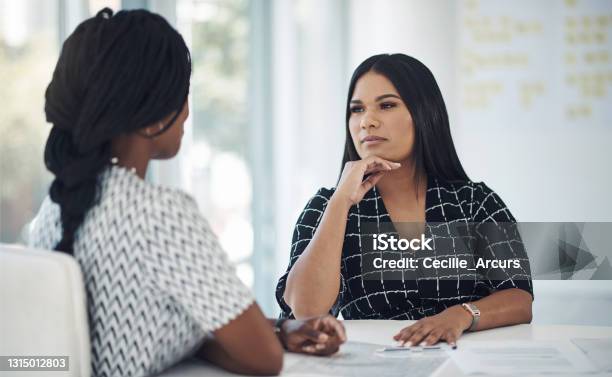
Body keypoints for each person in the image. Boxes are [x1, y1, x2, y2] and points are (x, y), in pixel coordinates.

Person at [28, 8, 345, 377]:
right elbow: (262, 358)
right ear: (155, 116)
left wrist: (276, 328)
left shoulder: (53, 209)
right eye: (184, 93)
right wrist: (263, 334)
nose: (187, 113)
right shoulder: (159, 214)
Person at [276, 53, 533, 348]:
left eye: (386, 105)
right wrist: (339, 203)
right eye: (357, 110)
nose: (367, 122)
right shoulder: (325, 207)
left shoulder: (475, 201)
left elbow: (519, 298)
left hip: (463, 360)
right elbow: (306, 311)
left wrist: (461, 315)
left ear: (424, 113)